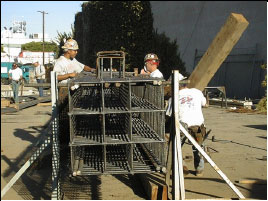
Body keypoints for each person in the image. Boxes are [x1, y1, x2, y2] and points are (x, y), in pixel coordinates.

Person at [166, 73, 207, 176]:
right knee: (198, 146)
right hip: (198, 124)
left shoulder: (173, 97)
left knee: (175, 146)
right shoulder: (197, 92)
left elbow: (169, 114)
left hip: (182, 125)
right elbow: (204, 104)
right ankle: (199, 169)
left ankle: (182, 168)